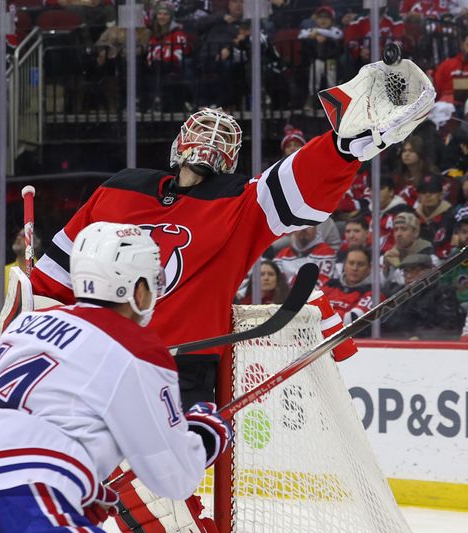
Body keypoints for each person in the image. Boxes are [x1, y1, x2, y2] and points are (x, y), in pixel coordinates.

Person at [29, 98, 423, 531]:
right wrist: (33, 316)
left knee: (155, 500)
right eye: (203, 130)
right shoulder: (121, 188)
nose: (211, 140)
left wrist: (342, 145)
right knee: (85, 487)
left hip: (181, 369)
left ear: (233, 157)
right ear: (178, 142)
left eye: (224, 136)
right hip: (102, 359)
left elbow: (297, 182)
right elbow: (54, 277)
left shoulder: (242, 202)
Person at [0, 222, 232, 532]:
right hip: (23, 491)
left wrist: (75, 484)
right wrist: (207, 431)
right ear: (136, 288)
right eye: (152, 281)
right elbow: (174, 477)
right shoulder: (135, 346)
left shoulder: (29, 324)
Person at [381, 253, 465, 339]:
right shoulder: (397, 293)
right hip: (397, 343)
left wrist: (420, 337)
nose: (409, 276)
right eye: (406, 271)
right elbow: (388, 323)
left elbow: (448, 327)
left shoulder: (443, 293)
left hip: (427, 346)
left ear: (430, 270)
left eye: (414, 270)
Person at [322, 245, 380, 326]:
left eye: (361, 264)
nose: (355, 268)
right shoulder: (329, 285)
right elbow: (308, 311)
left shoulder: (374, 293)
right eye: (351, 263)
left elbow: (353, 320)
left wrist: (321, 314)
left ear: (369, 268)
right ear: (344, 265)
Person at [0, 227, 41, 309]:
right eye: (18, 235)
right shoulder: (3, 272)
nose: (18, 238)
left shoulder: (43, 271)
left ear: (36, 243)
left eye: (24, 235)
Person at [382, 211, 437, 289]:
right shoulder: (391, 254)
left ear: (415, 232)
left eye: (403, 229)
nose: (398, 234)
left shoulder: (429, 255)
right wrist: (386, 270)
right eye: (396, 229)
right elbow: (380, 287)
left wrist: (398, 266)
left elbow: (416, 286)